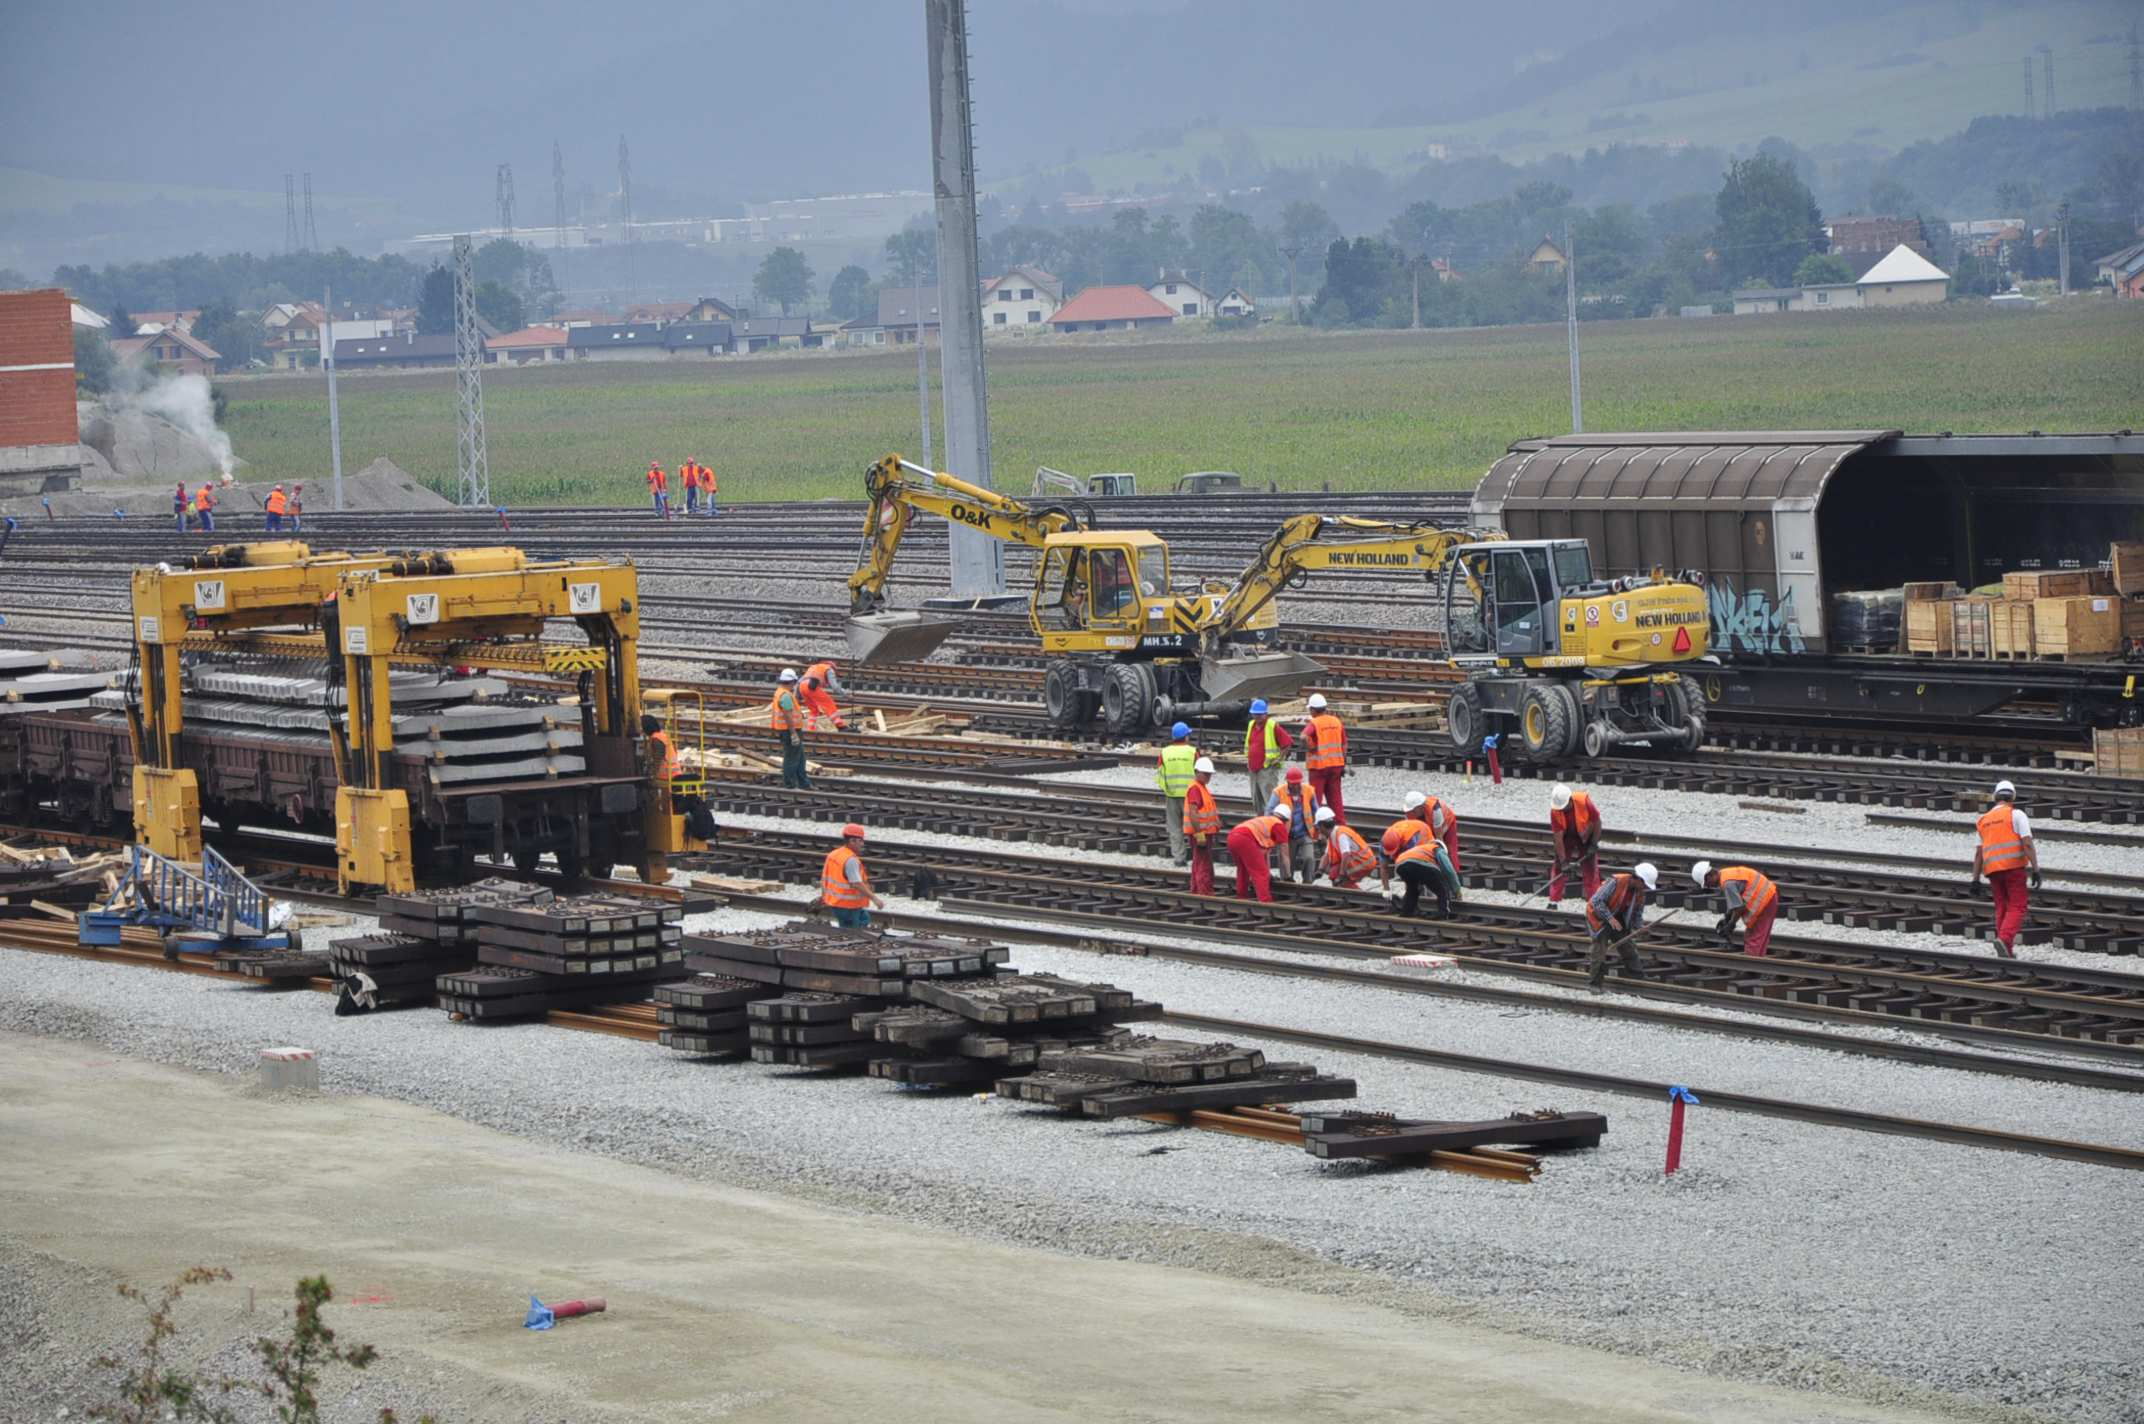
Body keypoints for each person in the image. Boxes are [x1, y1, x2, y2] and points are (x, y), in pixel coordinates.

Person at [1971, 778, 2040, 959]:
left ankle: (2006, 950)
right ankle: (2004, 938)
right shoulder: (2016, 814)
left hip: (1993, 870)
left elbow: (1979, 853)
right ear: (2013, 797)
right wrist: (2036, 869)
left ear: (1995, 797)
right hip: (2014, 868)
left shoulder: (1983, 820)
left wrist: (1975, 879)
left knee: (2002, 907)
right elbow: (2027, 843)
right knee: (2017, 906)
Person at [641, 712, 715, 839]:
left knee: (648, 793)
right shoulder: (664, 736)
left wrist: (650, 776)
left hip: (666, 777)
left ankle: (656, 822)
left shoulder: (656, 739)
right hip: (676, 774)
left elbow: (657, 760)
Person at [1586, 862, 1658, 989]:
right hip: (1599, 917)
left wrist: (1640, 926)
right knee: (1599, 950)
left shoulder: (1639, 892)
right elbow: (1597, 901)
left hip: (1617, 918)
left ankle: (1638, 977)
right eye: (1644, 884)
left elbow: (1637, 914)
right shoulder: (1616, 882)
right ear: (1637, 879)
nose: (1645, 888)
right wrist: (1609, 918)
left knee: (1628, 947)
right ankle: (1595, 985)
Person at [1693, 860, 1780, 957]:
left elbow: (1739, 908)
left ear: (1709, 876)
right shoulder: (1725, 873)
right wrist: (1727, 917)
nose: (1708, 886)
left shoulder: (1727, 884)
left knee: (1753, 938)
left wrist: (1731, 924)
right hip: (1769, 895)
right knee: (1760, 936)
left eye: (1706, 883)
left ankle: (1752, 966)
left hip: (1764, 901)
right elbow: (1735, 903)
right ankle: (1759, 962)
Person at [821, 823, 886, 928]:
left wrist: (824, 898)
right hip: (848, 906)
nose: (862, 844)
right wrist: (874, 898)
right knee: (853, 932)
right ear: (851, 841)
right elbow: (856, 883)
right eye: (860, 841)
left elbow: (825, 879)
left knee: (864, 918)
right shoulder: (850, 860)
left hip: (836, 903)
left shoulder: (834, 854)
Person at [1547, 783, 1603, 901]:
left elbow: (1597, 822)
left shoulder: (1584, 802)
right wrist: (1563, 862)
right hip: (1566, 837)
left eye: (1563, 807)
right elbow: (1558, 839)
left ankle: (1594, 903)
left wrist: (1593, 843)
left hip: (1586, 835)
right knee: (1558, 869)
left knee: (1590, 870)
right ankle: (1554, 901)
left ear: (1570, 800)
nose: (1561, 809)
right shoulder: (1555, 811)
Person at [1266, 766, 1321, 883]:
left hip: (1305, 833)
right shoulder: (1278, 792)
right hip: (1287, 835)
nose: (1296, 786)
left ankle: (1307, 884)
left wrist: (1318, 828)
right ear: (1287, 782)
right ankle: (1286, 885)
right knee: (1286, 863)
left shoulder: (1309, 791)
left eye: (1298, 783)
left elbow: (1317, 811)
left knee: (1309, 858)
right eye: (1293, 784)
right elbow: (1269, 812)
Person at [1154, 721, 1197, 864]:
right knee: (1193, 827)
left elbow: (1160, 774)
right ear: (1185, 737)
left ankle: (1179, 858)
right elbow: (1200, 773)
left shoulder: (1164, 752)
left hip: (1172, 796)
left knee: (1175, 828)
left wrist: (1166, 790)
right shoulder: (1192, 752)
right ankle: (1198, 857)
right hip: (1190, 797)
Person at [1225, 812, 1292, 903]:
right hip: (1244, 838)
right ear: (1286, 820)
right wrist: (1288, 875)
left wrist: (1268, 872)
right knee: (1261, 873)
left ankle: (1241, 898)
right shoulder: (1279, 825)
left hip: (1232, 837)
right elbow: (1285, 854)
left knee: (1243, 870)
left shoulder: (1267, 822)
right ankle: (1265, 901)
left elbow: (1264, 854)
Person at [1301, 692, 1348, 822]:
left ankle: (1317, 831)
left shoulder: (1315, 722)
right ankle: (1341, 828)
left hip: (1319, 768)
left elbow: (1303, 737)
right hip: (1336, 767)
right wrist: (1342, 762)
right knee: (1336, 800)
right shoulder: (1336, 721)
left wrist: (1311, 747)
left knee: (1316, 801)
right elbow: (1344, 744)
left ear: (1313, 710)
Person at [1243, 698, 1294, 815]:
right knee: (1256, 800)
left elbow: (1287, 743)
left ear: (1265, 714)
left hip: (1267, 770)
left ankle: (1271, 822)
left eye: (1259, 715)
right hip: (1253, 769)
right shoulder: (1251, 725)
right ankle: (1261, 821)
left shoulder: (1272, 726)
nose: (1257, 717)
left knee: (1270, 800)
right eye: (1255, 714)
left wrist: (1279, 759)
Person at [1392, 837, 1461, 918]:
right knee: (1442, 889)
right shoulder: (1438, 849)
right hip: (1420, 864)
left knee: (1413, 889)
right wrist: (1457, 890)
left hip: (1400, 865)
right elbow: (1449, 870)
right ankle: (1443, 912)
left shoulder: (1420, 848)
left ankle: (1406, 912)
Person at [1183, 756, 1221, 895]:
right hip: (1201, 834)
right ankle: (1204, 894)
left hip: (1205, 833)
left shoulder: (1201, 787)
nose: (1208, 777)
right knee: (1203, 865)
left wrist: (1216, 822)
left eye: (1209, 774)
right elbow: (1193, 813)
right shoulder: (1195, 789)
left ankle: (1196, 890)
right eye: (1205, 774)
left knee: (1199, 862)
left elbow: (1205, 810)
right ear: (1197, 771)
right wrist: (1199, 835)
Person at [769, 668, 811, 789]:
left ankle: (804, 783)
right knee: (792, 758)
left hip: (788, 730)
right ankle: (789, 784)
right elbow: (787, 715)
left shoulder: (781, 692)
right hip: (789, 731)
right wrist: (793, 734)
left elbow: (790, 712)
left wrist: (800, 714)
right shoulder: (785, 695)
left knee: (800, 758)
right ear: (791, 682)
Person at [1318, 807, 1377, 889]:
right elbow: (1327, 855)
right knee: (1334, 873)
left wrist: (1341, 875)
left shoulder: (1341, 834)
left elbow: (1346, 855)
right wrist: (1320, 870)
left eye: (1318, 826)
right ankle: (1351, 895)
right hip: (1359, 861)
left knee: (1340, 878)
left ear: (1322, 825)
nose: (1319, 830)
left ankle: (1357, 896)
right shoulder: (1333, 834)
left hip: (1365, 862)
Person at [799, 660, 848, 731]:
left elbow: (799, 682)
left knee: (813, 710)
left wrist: (797, 696)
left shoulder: (813, 667)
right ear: (833, 668)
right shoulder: (829, 669)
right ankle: (840, 726)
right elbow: (835, 687)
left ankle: (810, 729)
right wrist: (845, 694)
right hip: (811, 686)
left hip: (802, 687)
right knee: (828, 703)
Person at [1422, 792, 1462, 878]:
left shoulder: (1435, 810)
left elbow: (1439, 839)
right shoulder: (1411, 813)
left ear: (1419, 807)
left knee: (1450, 850)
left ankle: (1456, 877)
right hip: (1431, 826)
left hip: (1447, 823)